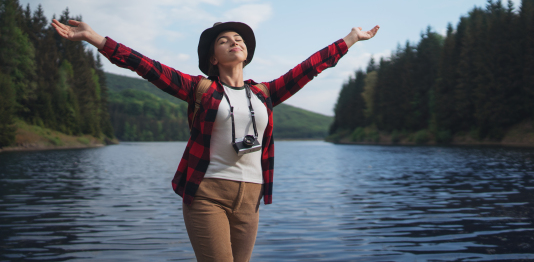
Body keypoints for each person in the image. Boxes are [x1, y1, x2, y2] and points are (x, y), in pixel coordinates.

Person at [52, 18, 379, 261]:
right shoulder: (200, 89)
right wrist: (94, 38)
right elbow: (145, 66)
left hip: (250, 198)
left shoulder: (264, 93)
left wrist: (350, 39)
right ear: (212, 57)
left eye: (238, 38)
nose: (234, 41)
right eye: (224, 40)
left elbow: (311, 68)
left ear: (247, 51)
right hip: (208, 194)